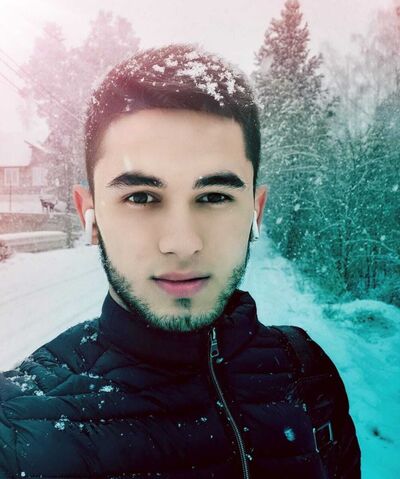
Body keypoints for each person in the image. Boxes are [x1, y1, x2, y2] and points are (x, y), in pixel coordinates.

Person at [0, 44, 361, 478]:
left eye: (214, 196)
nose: (182, 243)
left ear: (255, 211)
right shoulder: (18, 431)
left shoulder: (308, 374)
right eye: (140, 197)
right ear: (88, 215)